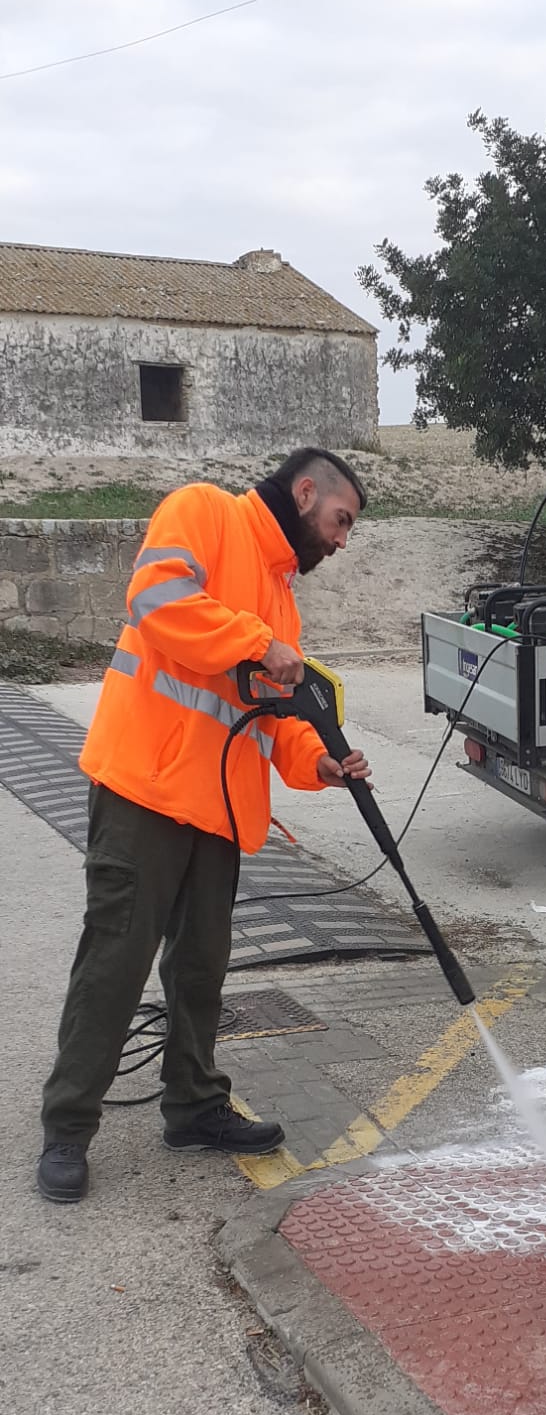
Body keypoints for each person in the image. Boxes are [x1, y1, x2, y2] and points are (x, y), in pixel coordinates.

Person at [38, 447, 372, 1204]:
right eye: (340, 520)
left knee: (201, 970)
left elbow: (274, 717)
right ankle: (67, 1126)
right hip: (147, 790)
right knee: (116, 959)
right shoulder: (205, 512)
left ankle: (192, 1106)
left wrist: (319, 762)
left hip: (219, 811)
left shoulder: (284, 601)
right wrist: (258, 643)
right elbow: (157, 603)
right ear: (306, 491)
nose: (341, 539)